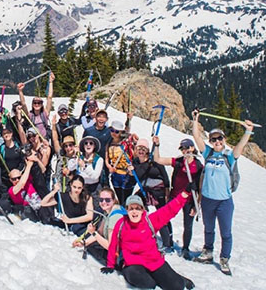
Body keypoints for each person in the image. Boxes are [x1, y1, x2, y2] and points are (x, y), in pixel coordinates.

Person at [191, 109, 254, 275]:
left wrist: (248, 130)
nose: (217, 141)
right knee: (208, 228)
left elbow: (240, 146)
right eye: (214, 139)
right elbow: (196, 137)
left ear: (224, 140)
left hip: (224, 201)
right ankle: (208, 252)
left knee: (226, 232)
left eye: (219, 138)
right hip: (207, 199)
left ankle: (225, 258)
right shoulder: (208, 153)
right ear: (211, 141)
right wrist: (195, 120)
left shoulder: (229, 156)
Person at [102, 193, 195, 290]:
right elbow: (113, 245)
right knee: (147, 283)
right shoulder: (121, 224)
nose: (134, 212)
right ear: (127, 210)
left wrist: (183, 195)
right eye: (131, 208)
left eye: (137, 208)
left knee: (176, 286)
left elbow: (169, 210)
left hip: (153, 261)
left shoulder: (150, 221)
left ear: (142, 210)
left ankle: (180, 279)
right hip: (133, 264)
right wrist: (110, 265)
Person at [152, 137, 204, 260]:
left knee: (188, 225)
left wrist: (197, 204)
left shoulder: (198, 166)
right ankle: (167, 243)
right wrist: (157, 146)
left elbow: (200, 187)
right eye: (182, 148)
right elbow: (158, 160)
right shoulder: (179, 161)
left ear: (192, 148)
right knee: (163, 219)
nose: (184, 151)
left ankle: (185, 248)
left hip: (189, 200)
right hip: (175, 197)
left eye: (187, 148)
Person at [132, 138, 172, 250]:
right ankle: (141, 233)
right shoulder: (135, 163)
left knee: (162, 215)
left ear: (148, 150)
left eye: (143, 149)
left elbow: (164, 175)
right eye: (139, 148)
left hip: (158, 191)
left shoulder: (153, 161)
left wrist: (167, 191)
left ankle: (168, 241)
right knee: (136, 206)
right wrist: (130, 172)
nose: (141, 151)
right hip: (146, 191)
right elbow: (134, 178)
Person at [72, 188, 124, 265]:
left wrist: (93, 233)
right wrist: (84, 242)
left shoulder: (115, 217)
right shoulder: (108, 212)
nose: (104, 202)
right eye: (101, 200)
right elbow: (99, 232)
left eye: (107, 200)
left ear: (113, 200)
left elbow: (110, 247)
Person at [8, 155, 56, 223]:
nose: (17, 180)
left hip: (43, 208)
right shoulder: (11, 190)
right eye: (14, 179)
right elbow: (21, 184)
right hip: (30, 212)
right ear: (10, 180)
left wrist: (37, 160)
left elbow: (43, 170)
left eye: (19, 177)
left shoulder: (28, 180)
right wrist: (29, 165)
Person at [104, 121, 136, 206]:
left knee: (126, 198)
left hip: (126, 174)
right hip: (115, 174)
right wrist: (109, 167)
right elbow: (106, 158)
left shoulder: (126, 143)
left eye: (117, 131)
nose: (113, 133)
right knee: (119, 197)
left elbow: (134, 154)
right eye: (112, 130)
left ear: (121, 132)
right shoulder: (109, 143)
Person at [16, 72, 54, 139]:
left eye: (39, 103)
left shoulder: (45, 114)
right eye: (35, 103)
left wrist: (51, 82)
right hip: (34, 141)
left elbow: (50, 97)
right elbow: (23, 103)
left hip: (44, 139)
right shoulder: (30, 115)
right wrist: (20, 91)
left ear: (42, 104)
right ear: (32, 104)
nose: (37, 104)